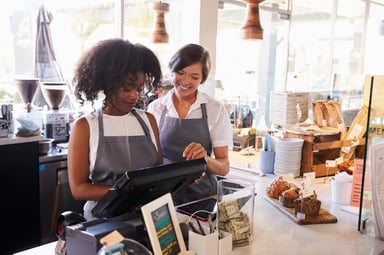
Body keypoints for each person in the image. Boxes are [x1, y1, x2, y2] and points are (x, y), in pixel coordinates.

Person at [68, 38, 163, 220]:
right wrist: (123, 193)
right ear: (109, 84)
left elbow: (158, 172)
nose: (135, 96)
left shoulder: (148, 120)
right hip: (103, 221)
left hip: (146, 218)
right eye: (127, 89)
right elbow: (78, 189)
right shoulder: (86, 126)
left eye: (139, 88)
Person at [147, 43, 233, 205]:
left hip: (204, 197)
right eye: (180, 73)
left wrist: (205, 159)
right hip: (164, 198)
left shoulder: (215, 109)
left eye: (194, 77)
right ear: (172, 70)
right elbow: (150, 161)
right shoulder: (156, 108)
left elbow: (224, 167)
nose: (185, 81)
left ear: (202, 79)